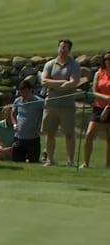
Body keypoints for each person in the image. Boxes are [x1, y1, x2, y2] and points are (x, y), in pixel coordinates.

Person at [40, 39, 80, 167]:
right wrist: (63, 83)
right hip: (51, 104)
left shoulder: (74, 65)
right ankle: (50, 160)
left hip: (67, 105)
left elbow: (73, 83)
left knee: (69, 134)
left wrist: (54, 84)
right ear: (58, 48)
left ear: (69, 50)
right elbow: (44, 82)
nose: (63, 50)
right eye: (61, 47)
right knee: (50, 133)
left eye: (66, 48)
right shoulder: (50, 64)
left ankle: (70, 161)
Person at [81, 50, 110, 168]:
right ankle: (86, 162)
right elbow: (94, 92)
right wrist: (106, 97)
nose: (108, 61)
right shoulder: (99, 73)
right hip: (98, 107)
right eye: (106, 59)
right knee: (89, 135)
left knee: (109, 138)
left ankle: (108, 164)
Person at [11, 80, 44, 163]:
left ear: (30, 90)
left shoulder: (39, 102)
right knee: (17, 161)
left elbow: (45, 115)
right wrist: (15, 123)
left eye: (25, 92)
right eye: (21, 92)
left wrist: (39, 127)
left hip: (32, 138)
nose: (23, 95)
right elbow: (13, 113)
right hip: (19, 137)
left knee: (33, 161)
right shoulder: (17, 101)